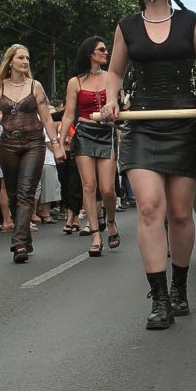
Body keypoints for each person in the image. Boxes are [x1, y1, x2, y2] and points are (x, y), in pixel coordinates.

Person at [101, 0, 196, 329]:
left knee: (180, 213)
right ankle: (160, 298)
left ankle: (180, 289)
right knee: (150, 207)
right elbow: (115, 71)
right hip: (143, 125)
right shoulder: (127, 27)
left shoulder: (191, 22)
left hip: (186, 123)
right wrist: (110, 99)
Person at [0, 44, 65, 263]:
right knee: (12, 195)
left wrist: (56, 144)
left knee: (26, 191)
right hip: (8, 143)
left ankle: (18, 243)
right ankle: (25, 238)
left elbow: (47, 119)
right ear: (10, 62)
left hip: (33, 142)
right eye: (21, 58)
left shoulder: (35, 86)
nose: (25, 61)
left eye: (27, 58)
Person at [59, 36, 120, 256]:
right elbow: (68, 115)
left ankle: (110, 220)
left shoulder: (112, 78)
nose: (106, 52)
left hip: (106, 132)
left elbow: (121, 107)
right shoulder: (75, 82)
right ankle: (95, 234)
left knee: (107, 188)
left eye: (106, 49)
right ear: (90, 53)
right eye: (101, 49)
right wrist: (59, 143)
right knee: (88, 185)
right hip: (84, 132)